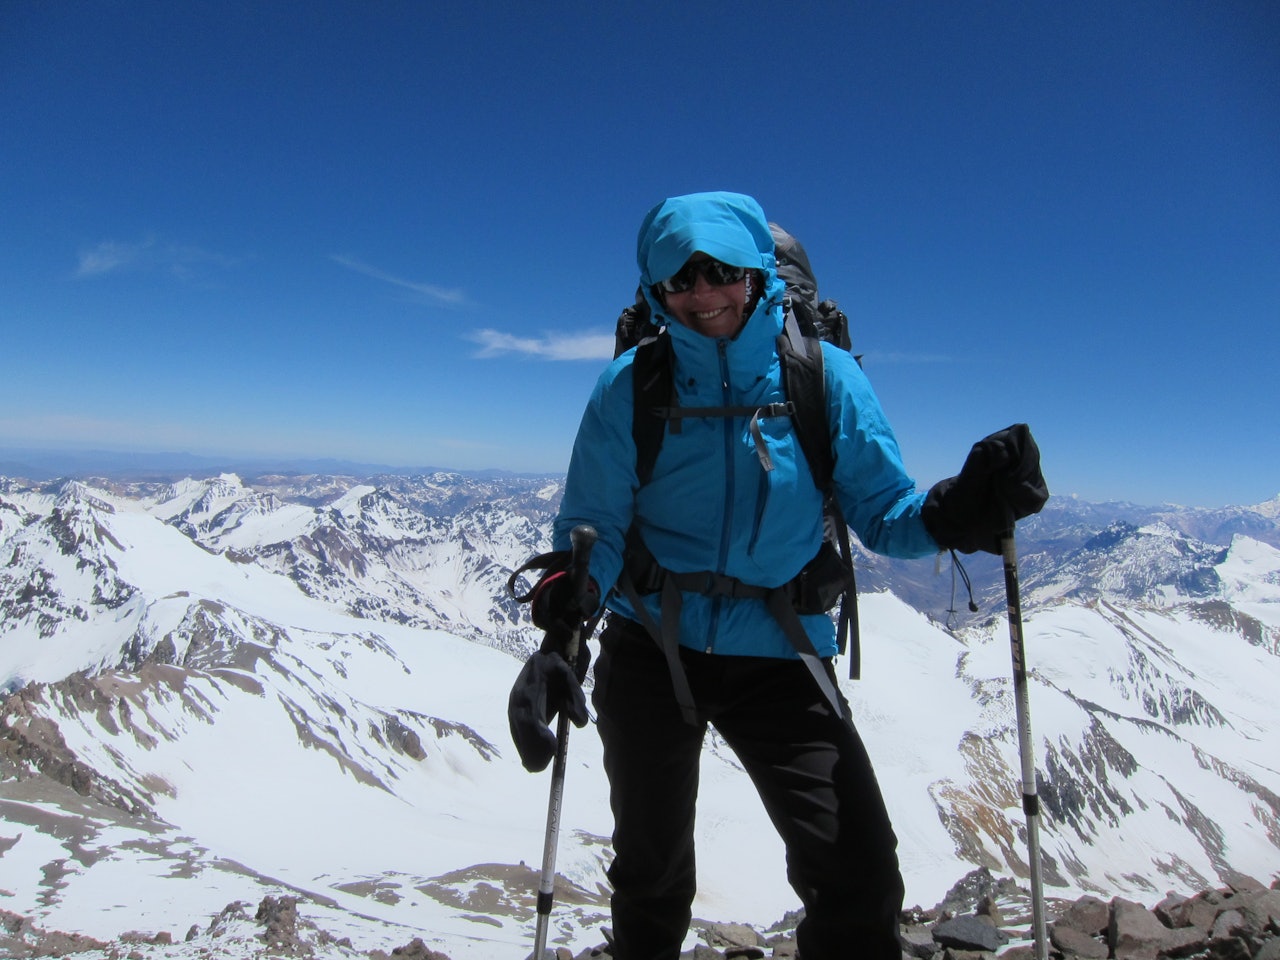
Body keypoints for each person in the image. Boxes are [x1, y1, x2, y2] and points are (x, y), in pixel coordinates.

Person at [508, 191, 1047, 960]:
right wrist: (563, 634)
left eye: (720, 271)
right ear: (656, 291)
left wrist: (962, 509)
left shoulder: (823, 380)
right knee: (650, 873)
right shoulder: (631, 386)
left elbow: (884, 511)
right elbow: (593, 525)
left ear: (758, 273)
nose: (701, 295)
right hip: (651, 646)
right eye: (679, 280)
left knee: (855, 871)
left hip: (780, 651)